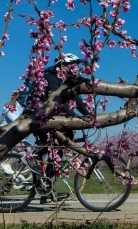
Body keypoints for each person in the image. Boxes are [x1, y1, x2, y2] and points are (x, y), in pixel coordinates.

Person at [34, 53, 92, 203]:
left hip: (52, 120)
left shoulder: (66, 82)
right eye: (73, 66)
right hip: (39, 119)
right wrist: (74, 118)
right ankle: (42, 184)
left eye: (77, 66)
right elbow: (59, 102)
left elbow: (78, 101)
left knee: (59, 150)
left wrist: (90, 116)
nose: (76, 69)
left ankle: (46, 190)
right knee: (55, 150)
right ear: (63, 66)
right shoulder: (51, 78)